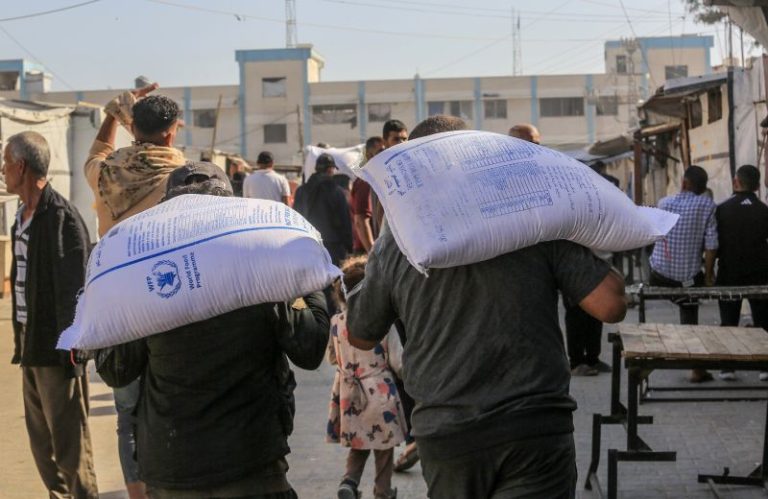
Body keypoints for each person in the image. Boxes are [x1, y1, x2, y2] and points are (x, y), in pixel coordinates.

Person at [346, 114, 627, 498]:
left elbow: (360, 335)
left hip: (449, 435)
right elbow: (611, 304)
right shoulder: (532, 214)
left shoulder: (398, 239)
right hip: (534, 428)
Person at [95, 163, 331, 498]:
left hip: (172, 466)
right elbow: (310, 348)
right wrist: (305, 278)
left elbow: (116, 370)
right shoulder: (259, 265)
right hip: (250, 465)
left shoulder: (149, 278)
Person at [84, 83, 187, 499]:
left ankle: (138, 494)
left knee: (127, 413)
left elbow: (95, 154)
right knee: (170, 406)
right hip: (168, 306)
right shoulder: (181, 176)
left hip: (118, 311)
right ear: (171, 133)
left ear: (133, 128)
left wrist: (115, 111)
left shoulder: (107, 173)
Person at [4, 131, 98, 498]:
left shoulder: (61, 218)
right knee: (41, 446)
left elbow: (76, 290)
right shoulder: (21, 217)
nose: (2, 170)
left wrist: (74, 353)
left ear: (21, 167)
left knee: (69, 446)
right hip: (30, 344)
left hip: (57, 352)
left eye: (5, 163)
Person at [326, 255, 405, 499]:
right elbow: (398, 362)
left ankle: (349, 482)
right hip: (380, 391)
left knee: (358, 441)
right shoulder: (382, 323)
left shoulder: (336, 322)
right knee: (384, 446)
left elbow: (332, 357)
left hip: (349, 393)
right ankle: (382, 491)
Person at [649, 165, 718, 383]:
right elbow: (711, 245)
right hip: (686, 280)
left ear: (684, 183)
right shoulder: (708, 206)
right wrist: (708, 276)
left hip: (658, 276)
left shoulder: (664, 203)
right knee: (689, 309)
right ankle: (696, 369)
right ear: (703, 188)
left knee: (670, 282)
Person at [714, 165, 768, 381]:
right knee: (763, 321)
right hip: (760, 272)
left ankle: (728, 367)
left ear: (736, 182)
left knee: (729, 320)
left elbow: (714, 243)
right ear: (757, 185)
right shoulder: (764, 210)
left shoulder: (722, 209)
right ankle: (765, 366)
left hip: (730, 273)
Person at [293, 153, 353, 266]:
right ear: (330, 170)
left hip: (307, 244)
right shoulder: (337, 192)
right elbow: (345, 221)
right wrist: (349, 246)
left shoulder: (301, 191)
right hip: (332, 247)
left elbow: (294, 218)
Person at [351, 137, 386, 254]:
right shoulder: (366, 180)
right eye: (380, 151)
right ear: (369, 155)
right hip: (368, 251)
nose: (384, 155)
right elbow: (360, 221)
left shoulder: (377, 177)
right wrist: (373, 254)